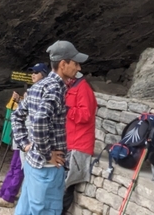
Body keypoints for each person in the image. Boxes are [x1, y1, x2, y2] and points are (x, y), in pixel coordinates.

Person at [11, 40, 88, 215]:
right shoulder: (55, 88)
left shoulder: (38, 86)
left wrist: (25, 144)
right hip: (47, 170)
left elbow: (17, 116)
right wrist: (46, 154)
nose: (79, 68)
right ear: (63, 64)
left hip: (32, 165)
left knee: (26, 210)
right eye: (75, 63)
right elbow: (40, 121)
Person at [0, 63, 50, 208]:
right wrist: (20, 101)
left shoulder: (44, 92)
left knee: (19, 166)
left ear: (43, 74)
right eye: (32, 72)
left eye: (36, 73)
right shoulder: (35, 91)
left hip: (30, 136)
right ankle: (3, 193)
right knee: (14, 165)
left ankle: (8, 196)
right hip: (23, 134)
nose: (33, 75)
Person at [62, 59, 97, 214]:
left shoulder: (83, 89)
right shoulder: (72, 87)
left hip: (77, 146)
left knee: (65, 187)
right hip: (69, 143)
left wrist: (66, 109)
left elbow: (85, 115)